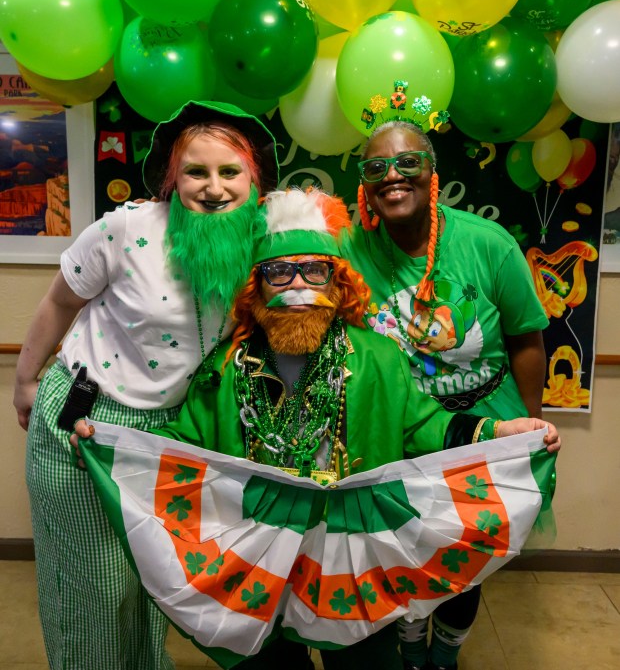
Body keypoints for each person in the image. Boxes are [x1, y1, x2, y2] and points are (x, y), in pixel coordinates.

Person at [74, 187, 560, 669]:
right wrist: (120, 450)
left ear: (338, 283)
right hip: (257, 548)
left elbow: (429, 428)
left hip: (351, 543)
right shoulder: (224, 370)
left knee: (366, 661)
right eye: (279, 272)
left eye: (315, 270)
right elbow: (184, 448)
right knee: (270, 661)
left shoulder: (377, 359)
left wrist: (500, 433)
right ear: (256, 287)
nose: (298, 286)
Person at [14, 100, 279, 670]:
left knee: (150, 587)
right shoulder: (128, 226)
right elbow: (60, 301)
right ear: (172, 179)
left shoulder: (264, 241)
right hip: (83, 425)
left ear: (253, 178)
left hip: (169, 438)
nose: (214, 188)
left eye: (229, 172)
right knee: (97, 592)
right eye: (196, 172)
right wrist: (25, 380)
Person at [340, 117, 550, 670]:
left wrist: (531, 423)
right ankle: (410, 644)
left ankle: (445, 653)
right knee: (401, 552)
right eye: (376, 166)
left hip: (484, 435)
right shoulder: (348, 250)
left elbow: (527, 337)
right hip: (400, 436)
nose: (392, 175)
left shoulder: (486, 243)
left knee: (464, 559)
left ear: (433, 173)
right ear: (364, 183)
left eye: (408, 161)